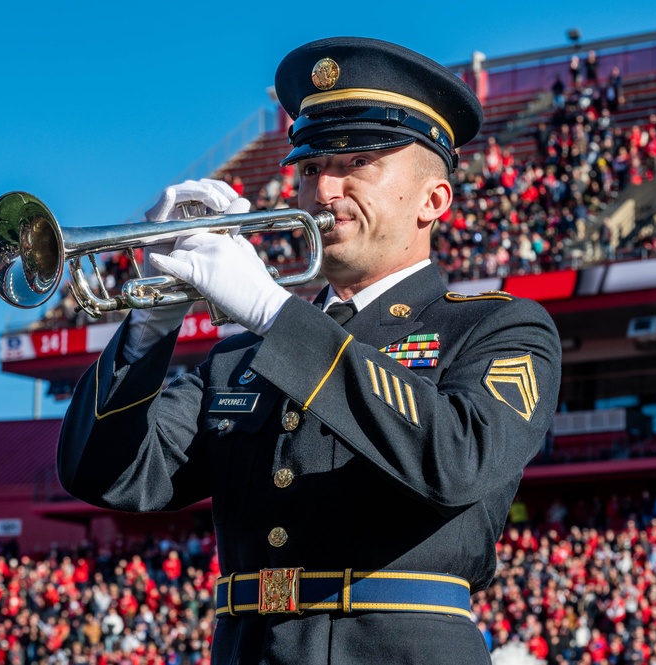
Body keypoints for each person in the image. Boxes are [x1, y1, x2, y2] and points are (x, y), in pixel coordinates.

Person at [56, 37, 561, 664]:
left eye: (357, 163)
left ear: (434, 200)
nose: (324, 189)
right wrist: (151, 324)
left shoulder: (500, 328)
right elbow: (105, 474)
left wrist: (274, 312)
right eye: (313, 166)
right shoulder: (238, 360)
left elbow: (456, 459)